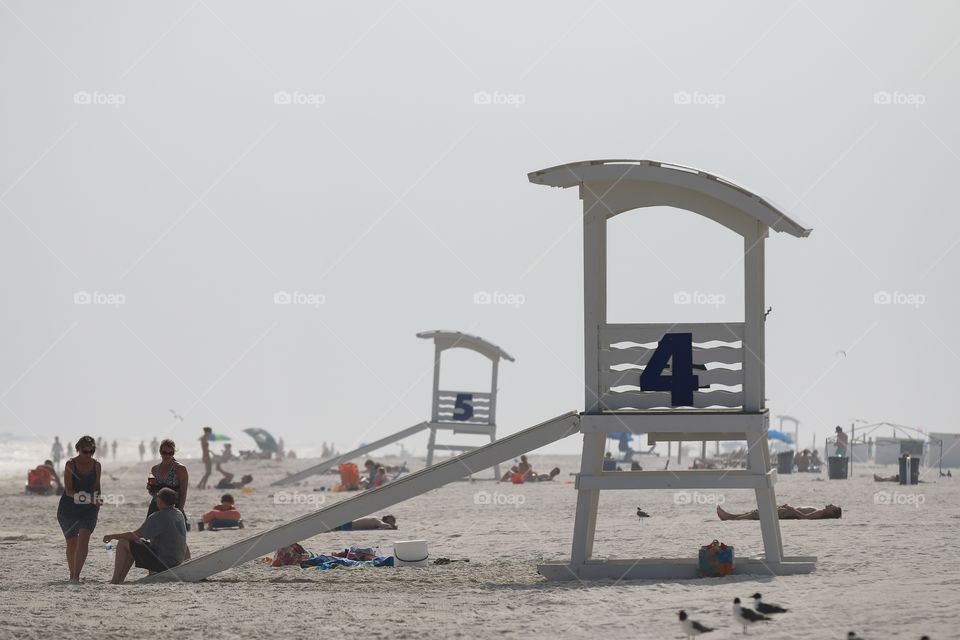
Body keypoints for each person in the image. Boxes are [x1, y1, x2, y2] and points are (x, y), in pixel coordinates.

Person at [102, 487, 186, 583]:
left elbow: (134, 535)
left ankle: (115, 580)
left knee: (123, 542)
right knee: (132, 547)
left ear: (161, 501)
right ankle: (120, 580)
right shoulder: (179, 513)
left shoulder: (157, 517)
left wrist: (112, 536)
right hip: (176, 561)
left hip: (163, 563)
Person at [57, 436, 102, 582]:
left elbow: (96, 487)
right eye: (85, 451)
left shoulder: (97, 465)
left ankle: (76, 576)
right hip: (68, 508)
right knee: (72, 543)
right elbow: (69, 491)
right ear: (78, 449)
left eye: (91, 451)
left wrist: (97, 501)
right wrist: (89, 498)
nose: (88, 454)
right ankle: (72, 574)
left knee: (84, 538)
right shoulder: (70, 464)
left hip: (88, 509)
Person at [147, 439, 189, 516]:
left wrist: (179, 511)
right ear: (160, 452)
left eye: (170, 453)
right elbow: (151, 489)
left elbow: (183, 493)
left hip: (173, 506)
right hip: (156, 505)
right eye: (164, 453)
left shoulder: (180, 469)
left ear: (173, 453)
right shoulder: (154, 469)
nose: (167, 455)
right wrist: (151, 488)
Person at [717, 503, 842, 521]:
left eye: (833, 507)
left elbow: (804, 517)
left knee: (755, 515)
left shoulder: (820, 513)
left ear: (831, 512)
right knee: (754, 513)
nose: (830, 505)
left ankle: (729, 518)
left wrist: (791, 508)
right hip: (786, 511)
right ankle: (729, 516)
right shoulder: (820, 511)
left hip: (786, 513)